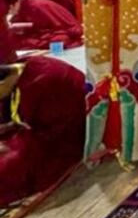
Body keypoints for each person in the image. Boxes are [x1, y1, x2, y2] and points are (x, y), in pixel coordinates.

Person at [0, 57, 87, 205]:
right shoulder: (28, 66)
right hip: (45, 131)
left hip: (64, 141)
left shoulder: (39, 84)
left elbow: (50, 135)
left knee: (7, 170)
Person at [9, 0, 83, 50]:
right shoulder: (22, 8)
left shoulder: (38, 6)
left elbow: (65, 29)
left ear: (12, 4)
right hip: (41, 38)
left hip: (62, 36)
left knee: (59, 39)